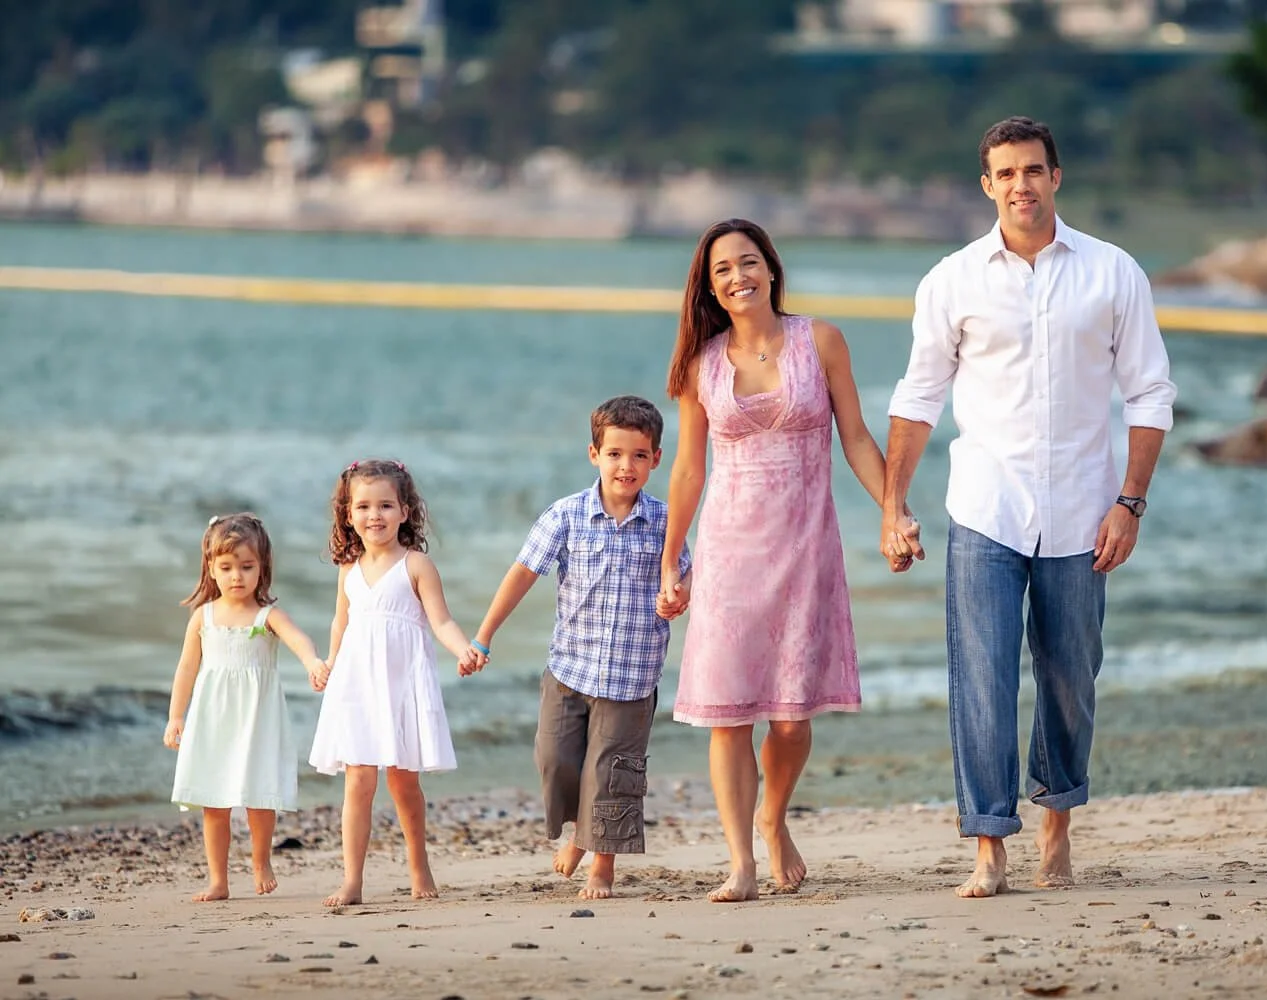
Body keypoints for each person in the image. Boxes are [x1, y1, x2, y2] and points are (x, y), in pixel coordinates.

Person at [881, 116, 1177, 898]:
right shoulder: (951, 280)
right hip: (985, 507)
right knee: (980, 676)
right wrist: (893, 503)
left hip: (1085, 511)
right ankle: (988, 843)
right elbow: (918, 397)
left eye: (1034, 170)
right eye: (1006, 173)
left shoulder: (1113, 273)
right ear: (987, 184)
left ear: (1057, 177)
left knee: (1071, 675)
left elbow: (1149, 394)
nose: (1022, 185)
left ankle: (1057, 822)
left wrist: (1130, 504)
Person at [660, 218, 915, 903]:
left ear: (771, 268)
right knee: (728, 714)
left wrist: (894, 508)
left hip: (805, 547)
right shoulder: (701, 363)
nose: (737, 277)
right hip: (728, 551)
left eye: (747, 262)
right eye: (722, 270)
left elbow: (857, 438)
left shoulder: (821, 341)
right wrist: (669, 561)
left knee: (793, 720)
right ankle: (740, 860)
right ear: (709, 287)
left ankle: (774, 812)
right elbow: (687, 472)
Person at [465, 395, 692, 900]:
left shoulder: (664, 521)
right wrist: (484, 634)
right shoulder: (565, 516)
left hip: (631, 677)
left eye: (638, 455)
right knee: (556, 759)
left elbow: (686, 576)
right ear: (594, 454)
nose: (625, 466)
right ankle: (578, 833)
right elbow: (522, 574)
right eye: (614, 454)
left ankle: (601, 864)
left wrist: (679, 595)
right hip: (569, 668)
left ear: (656, 459)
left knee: (611, 773)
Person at [308, 459, 482, 907]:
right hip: (356, 685)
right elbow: (340, 624)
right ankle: (353, 880)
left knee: (404, 782)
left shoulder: (416, 565)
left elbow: (440, 620)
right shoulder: (348, 569)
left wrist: (464, 649)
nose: (375, 515)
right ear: (348, 514)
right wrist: (328, 663)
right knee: (358, 780)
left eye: (386, 505)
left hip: (403, 684)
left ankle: (418, 863)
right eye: (363, 506)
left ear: (405, 511)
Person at [165, 512, 328, 902]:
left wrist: (313, 663)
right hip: (213, 718)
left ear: (262, 567)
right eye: (226, 567)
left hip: (256, 719)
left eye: (246, 566)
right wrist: (175, 716)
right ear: (211, 568)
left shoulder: (267, 616)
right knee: (214, 801)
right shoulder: (202, 617)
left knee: (259, 795)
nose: (236, 575)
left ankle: (260, 861)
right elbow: (187, 668)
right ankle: (218, 880)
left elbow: (299, 640)